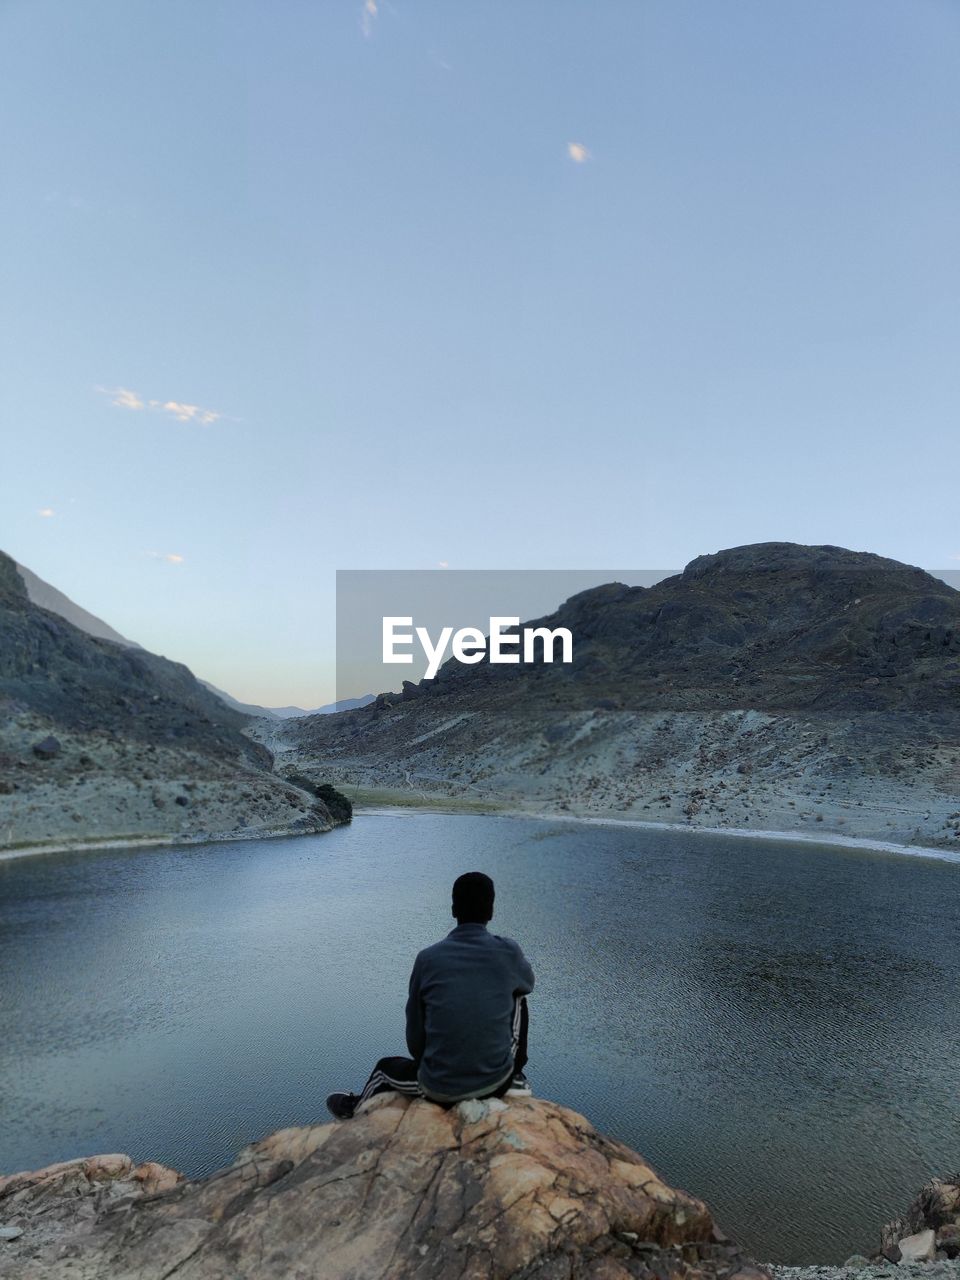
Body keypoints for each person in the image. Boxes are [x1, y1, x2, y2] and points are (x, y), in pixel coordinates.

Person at [325, 871, 534, 1119]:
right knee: (519, 994)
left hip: (439, 1087)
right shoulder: (508, 951)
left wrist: (432, 1062)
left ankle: (354, 1109)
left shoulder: (428, 959)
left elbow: (414, 1039)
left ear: (454, 909)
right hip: (496, 1083)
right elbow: (528, 982)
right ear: (491, 911)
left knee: (383, 1069)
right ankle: (516, 1073)